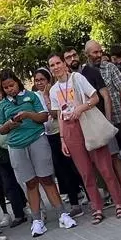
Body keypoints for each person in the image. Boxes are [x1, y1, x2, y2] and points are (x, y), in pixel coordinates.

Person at [49, 52, 121, 221]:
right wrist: (62, 139)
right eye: (52, 65)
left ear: (64, 63)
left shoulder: (77, 78)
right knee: (85, 173)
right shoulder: (54, 90)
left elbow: (95, 97)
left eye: (58, 63)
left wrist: (81, 108)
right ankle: (97, 207)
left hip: (87, 123)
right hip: (70, 130)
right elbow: (60, 115)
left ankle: (118, 202)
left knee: (105, 167)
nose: (56, 67)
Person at [0, 69, 77, 236]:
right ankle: (37, 220)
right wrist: (10, 123)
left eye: (12, 85)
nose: (10, 89)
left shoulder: (32, 96)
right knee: (30, 183)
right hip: (16, 146)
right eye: (6, 87)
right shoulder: (2, 105)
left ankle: (62, 214)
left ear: (17, 82)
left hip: (37, 139)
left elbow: (43, 117)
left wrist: (27, 115)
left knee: (46, 178)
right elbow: (1, 129)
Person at [83, 40, 121, 201]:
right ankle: (118, 190)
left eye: (100, 51)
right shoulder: (84, 74)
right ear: (87, 54)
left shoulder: (110, 67)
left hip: (118, 118)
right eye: (95, 52)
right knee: (111, 157)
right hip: (100, 123)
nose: (99, 55)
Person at [35, 68, 86, 209]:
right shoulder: (34, 96)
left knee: (74, 166)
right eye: (37, 80)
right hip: (49, 135)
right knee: (62, 171)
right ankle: (74, 203)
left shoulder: (54, 91)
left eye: (42, 79)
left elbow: (54, 113)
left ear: (48, 80)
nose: (39, 83)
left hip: (62, 132)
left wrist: (46, 96)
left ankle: (88, 194)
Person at [0, 81, 31, 227]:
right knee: (8, 184)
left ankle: (30, 205)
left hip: (11, 147)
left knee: (21, 180)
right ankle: (18, 214)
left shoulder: (6, 109)